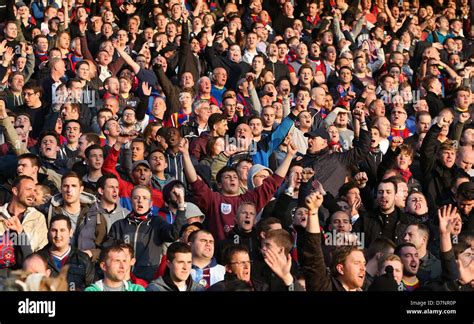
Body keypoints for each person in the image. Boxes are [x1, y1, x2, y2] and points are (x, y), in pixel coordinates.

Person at [106, 185, 186, 282]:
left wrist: (181, 207)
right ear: (131, 201)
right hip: (122, 279)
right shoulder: (119, 225)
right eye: (136, 198)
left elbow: (174, 234)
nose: (140, 201)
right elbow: (108, 252)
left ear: (151, 203)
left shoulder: (157, 223)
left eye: (145, 198)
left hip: (149, 280)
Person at [303, 191, 366, 291]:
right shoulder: (326, 287)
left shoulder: (359, 247)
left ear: (351, 226)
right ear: (340, 268)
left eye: (364, 263)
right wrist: (313, 212)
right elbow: (313, 253)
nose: (363, 268)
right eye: (357, 263)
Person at [37, 215, 95, 291]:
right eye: (54, 230)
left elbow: (92, 287)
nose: (58, 235)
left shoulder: (83, 259)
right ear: (49, 232)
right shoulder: (38, 259)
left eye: (62, 230)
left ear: (70, 232)